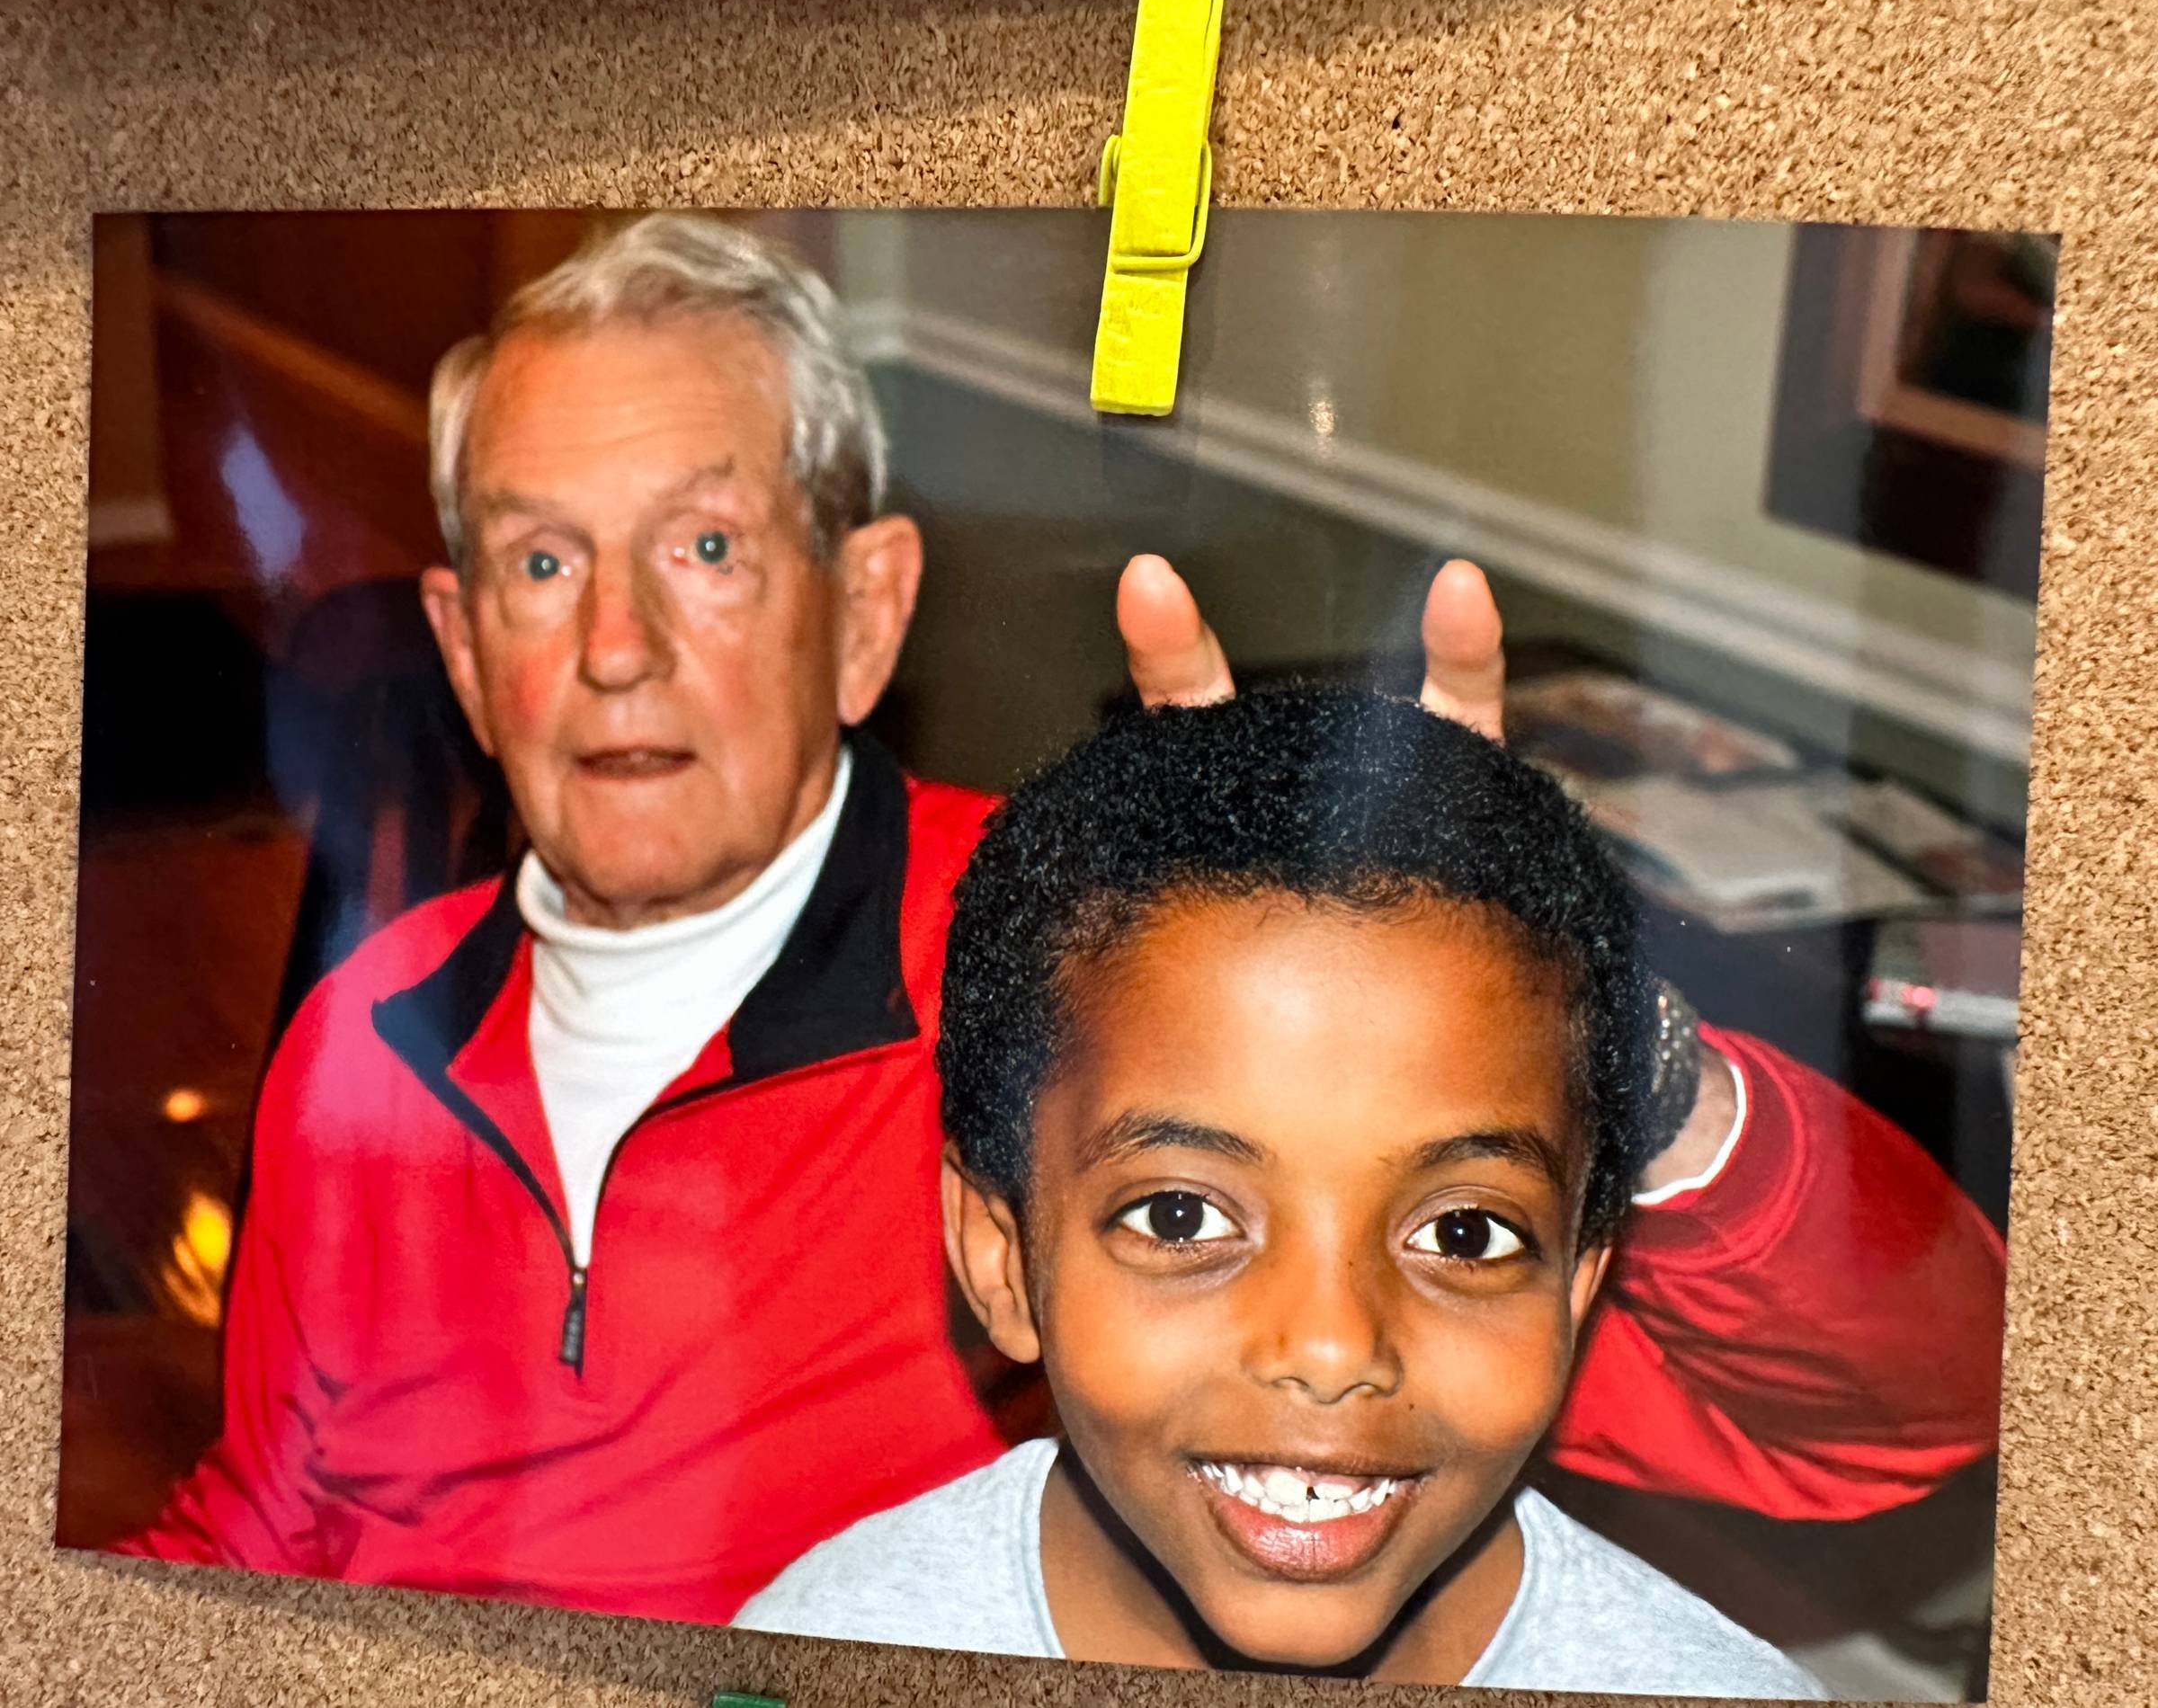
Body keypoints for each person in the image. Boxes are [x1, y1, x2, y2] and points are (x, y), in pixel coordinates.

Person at [115, 214, 2004, 1623]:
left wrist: (1620, 1040)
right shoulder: (357, 1030)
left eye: (704, 549)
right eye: (542, 562)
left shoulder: (1090, 992)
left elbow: (1889, 1413)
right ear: (466, 648)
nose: (617, 649)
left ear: (864, 610)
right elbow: (276, 1523)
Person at [736, 684, 1824, 1697]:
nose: (1331, 1346)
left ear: (1579, 1286)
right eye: (1182, 1216)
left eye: (1463, 1229)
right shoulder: (821, 1652)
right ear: (1000, 1256)